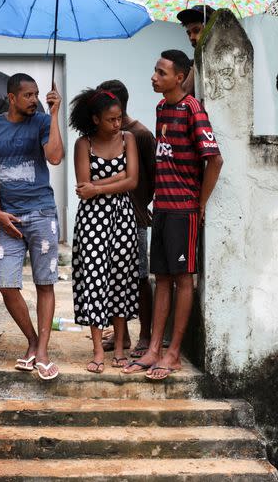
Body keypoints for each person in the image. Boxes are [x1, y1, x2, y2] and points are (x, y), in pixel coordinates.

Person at [124, 50, 224, 380]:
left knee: (183, 280)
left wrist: (201, 203)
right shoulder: (161, 108)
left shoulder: (192, 110)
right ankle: (154, 349)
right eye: (155, 71)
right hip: (163, 209)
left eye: (161, 73)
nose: (154, 77)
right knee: (161, 279)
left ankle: (174, 353)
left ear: (179, 78)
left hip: (183, 211)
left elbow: (215, 160)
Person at [0, 73, 64, 380]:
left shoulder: (43, 122)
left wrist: (54, 114)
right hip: (9, 218)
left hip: (41, 213)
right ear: (12, 97)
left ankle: (42, 350)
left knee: (45, 283)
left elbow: (55, 157)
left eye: (37, 94)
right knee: (6, 284)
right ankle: (31, 339)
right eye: (29, 95)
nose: (35, 100)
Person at [70, 88, 139, 374]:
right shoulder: (82, 144)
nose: (117, 124)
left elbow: (132, 181)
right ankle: (98, 349)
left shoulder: (129, 139)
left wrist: (99, 186)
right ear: (96, 119)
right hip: (92, 220)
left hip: (123, 217)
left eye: (119, 118)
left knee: (121, 280)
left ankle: (120, 347)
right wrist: (117, 177)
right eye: (111, 119)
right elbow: (82, 191)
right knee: (95, 279)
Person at [97, 80, 156, 359]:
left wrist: (142, 206)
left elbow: (153, 177)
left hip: (135, 217)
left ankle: (145, 334)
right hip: (108, 215)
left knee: (140, 277)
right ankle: (124, 336)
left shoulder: (140, 135)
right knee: (112, 276)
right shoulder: (106, 135)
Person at [176, 5, 215, 97]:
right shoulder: (188, 66)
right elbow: (183, 95)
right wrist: (197, 62)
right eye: (189, 33)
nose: (191, 37)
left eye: (196, 30)